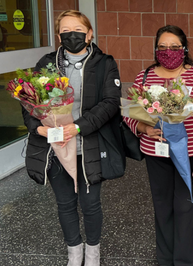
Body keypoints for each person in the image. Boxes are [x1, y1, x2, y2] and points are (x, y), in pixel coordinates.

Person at [22, 10, 121, 266]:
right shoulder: (46, 63)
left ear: (89, 33)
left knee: (90, 204)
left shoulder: (105, 63)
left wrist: (77, 127)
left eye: (77, 29)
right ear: (58, 36)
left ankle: (93, 253)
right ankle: (74, 253)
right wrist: (38, 128)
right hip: (55, 146)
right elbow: (28, 102)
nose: (71, 35)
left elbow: (110, 103)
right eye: (65, 31)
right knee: (65, 203)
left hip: (87, 145)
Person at [123, 25, 193, 265]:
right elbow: (128, 113)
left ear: (184, 49)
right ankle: (165, 259)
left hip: (190, 154)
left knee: (187, 207)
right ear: (156, 50)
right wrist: (144, 129)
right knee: (163, 207)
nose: (168, 52)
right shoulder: (143, 77)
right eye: (162, 47)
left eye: (174, 47)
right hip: (155, 154)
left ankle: (187, 261)